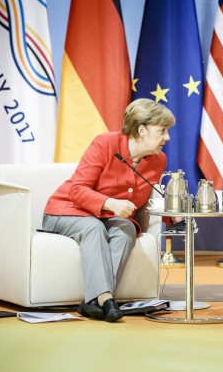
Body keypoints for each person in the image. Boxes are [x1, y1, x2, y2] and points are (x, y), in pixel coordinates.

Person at [43, 98, 175, 322]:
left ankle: (94, 302)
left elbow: (145, 199)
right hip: (66, 211)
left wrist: (172, 216)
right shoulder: (105, 143)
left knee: (126, 230)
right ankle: (106, 299)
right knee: (93, 227)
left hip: (108, 218)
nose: (167, 137)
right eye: (162, 130)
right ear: (141, 130)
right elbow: (77, 190)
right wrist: (110, 203)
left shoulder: (158, 160)